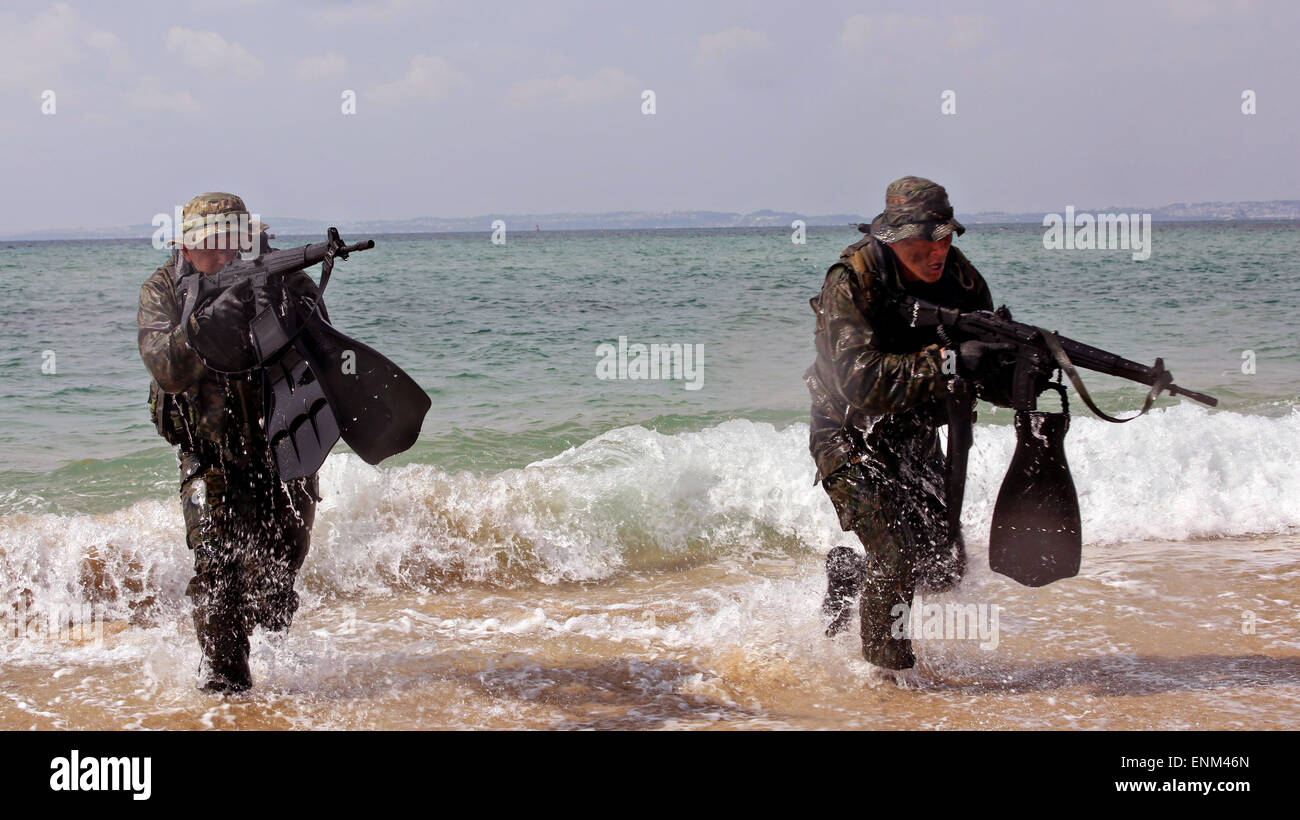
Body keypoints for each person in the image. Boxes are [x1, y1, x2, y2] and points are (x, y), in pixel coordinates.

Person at [804, 176, 1011, 672]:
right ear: (896, 239)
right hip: (848, 433)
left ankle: (852, 573)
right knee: (897, 557)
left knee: (944, 566)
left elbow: (982, 357)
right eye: (925, 240)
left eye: (945, 237)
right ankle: (886, 677)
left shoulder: (960, 278)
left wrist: (1013, 368)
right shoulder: (851, 279)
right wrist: (947, 362)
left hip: (913, 432)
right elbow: (859, 381)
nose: (938, 249)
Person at [137, 192, 324, 693]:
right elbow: (166, 369)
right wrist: (214, 315)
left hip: (283, 451)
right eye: (210, 248)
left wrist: (277, 303)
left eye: (231, 247)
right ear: (186, 248)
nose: (223, 259)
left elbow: (322, 340)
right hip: (209, 456)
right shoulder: (163, 291)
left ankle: (275, 689)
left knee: (275, 585)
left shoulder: (277, 275)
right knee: (216, 573)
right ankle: (228, 693)